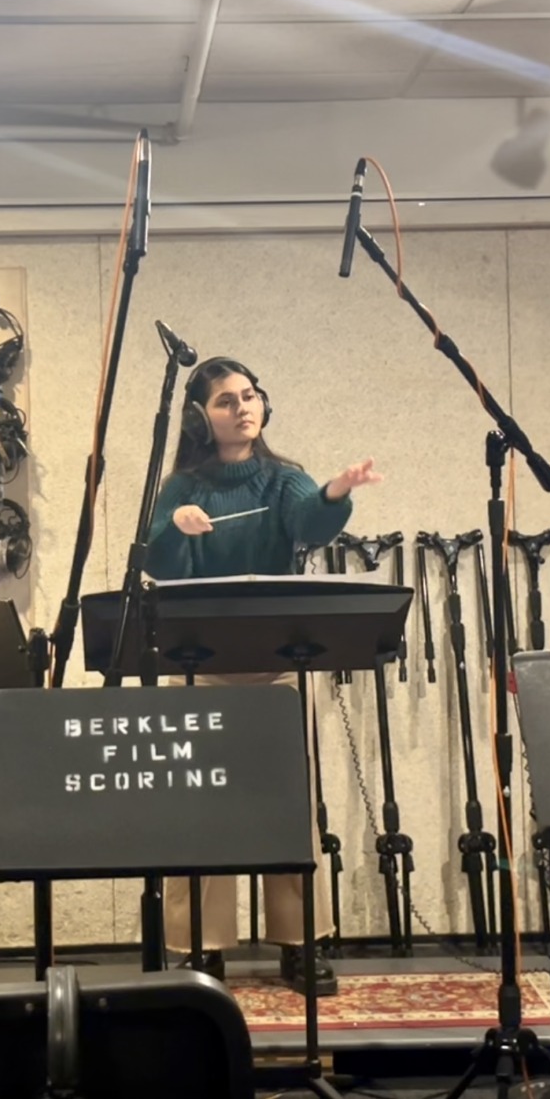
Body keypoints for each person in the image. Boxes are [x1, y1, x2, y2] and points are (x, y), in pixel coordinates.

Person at [145, 355, 381, 996]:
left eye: (250, 396)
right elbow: (158, 560)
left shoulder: (283, 479)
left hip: (278, 668)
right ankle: (201, 946)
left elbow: (310, 520)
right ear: (200, 418)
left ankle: (300, 942)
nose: (243, 407)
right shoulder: (182, 486)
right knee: (200, 807)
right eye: (227, 400)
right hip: (200, 668)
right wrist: (177, 528)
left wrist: (336, 491)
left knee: (289, 804)